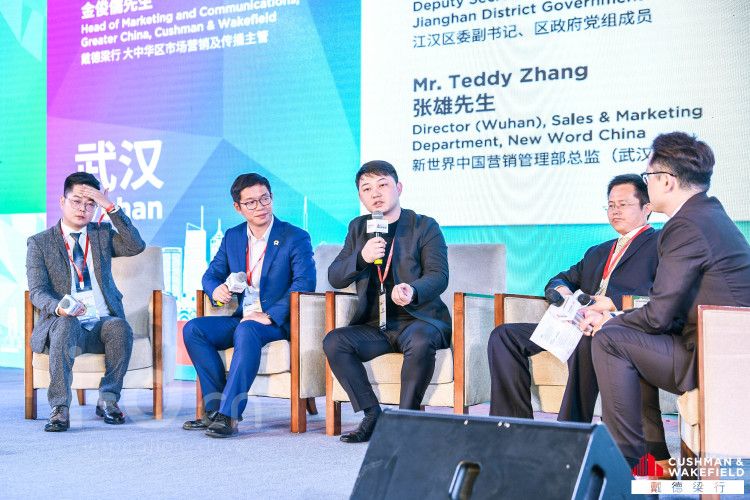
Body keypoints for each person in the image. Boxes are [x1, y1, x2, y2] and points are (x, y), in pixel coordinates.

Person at [580, 132, 750, 466]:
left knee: (611, 339)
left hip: (719, 359)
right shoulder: (707, 215)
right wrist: (620, 317)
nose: (647, 184)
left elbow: (658, 315)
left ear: (667, 181)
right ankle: (655, 462)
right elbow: (666, 308)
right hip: (723, 349)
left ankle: (628, 467)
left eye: (648, 177)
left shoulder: (685, 226)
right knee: (629, 337)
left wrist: (610, 320)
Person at [487, 174, 671, 463]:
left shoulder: (660, 244)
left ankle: (569, 436)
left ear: (647, 207)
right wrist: (560, 291)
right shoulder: (598, 251)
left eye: (623, 204)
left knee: (589, 339)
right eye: (611, 205)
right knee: (504, 336)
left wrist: (612, 303)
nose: (615, 211)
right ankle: (514, 431)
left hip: (616, 328)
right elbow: (561, 278)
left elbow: (660, 295)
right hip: (573, 323)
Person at [323, 160, 452, 443]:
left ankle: (405, 421)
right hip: (376, 326)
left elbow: (439, 275)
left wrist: (412, 290)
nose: (375, 193)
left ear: (399, 188)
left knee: (420, 340)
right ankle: (372, 414)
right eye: (367, 188)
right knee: (334, 341)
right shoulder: (358, 228)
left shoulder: (424, 225)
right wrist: (361, 257)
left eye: (383, 185)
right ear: (360, 196)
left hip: (419, 320)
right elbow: (335, 276)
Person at [182, 173, 316, 438]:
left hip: (278, 322)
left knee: (247, 329)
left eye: (264, 199)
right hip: (243, 316)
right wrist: (216, 290)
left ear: (272, 198)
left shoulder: (294, 237)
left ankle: (229, 414)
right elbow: (211, 275)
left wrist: (270, 314)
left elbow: (305, 283)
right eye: (251, 202)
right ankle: (214, 410)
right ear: (238, 207)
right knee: (194, 329)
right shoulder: (233, 236)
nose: (260, 207)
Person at [26, 172, 145, 432]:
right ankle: (60, 408)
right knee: (66, 323)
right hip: (64, 324)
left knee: (119, 327)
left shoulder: (101, 234)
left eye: (90, 204)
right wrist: (58, 307)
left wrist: (109, 206)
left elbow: (136, 246)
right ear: (62, 201)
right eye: (77, 201)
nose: (83, 209)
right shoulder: (40, 242)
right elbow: (37, 291)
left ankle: (108, 399)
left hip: (100, 322)